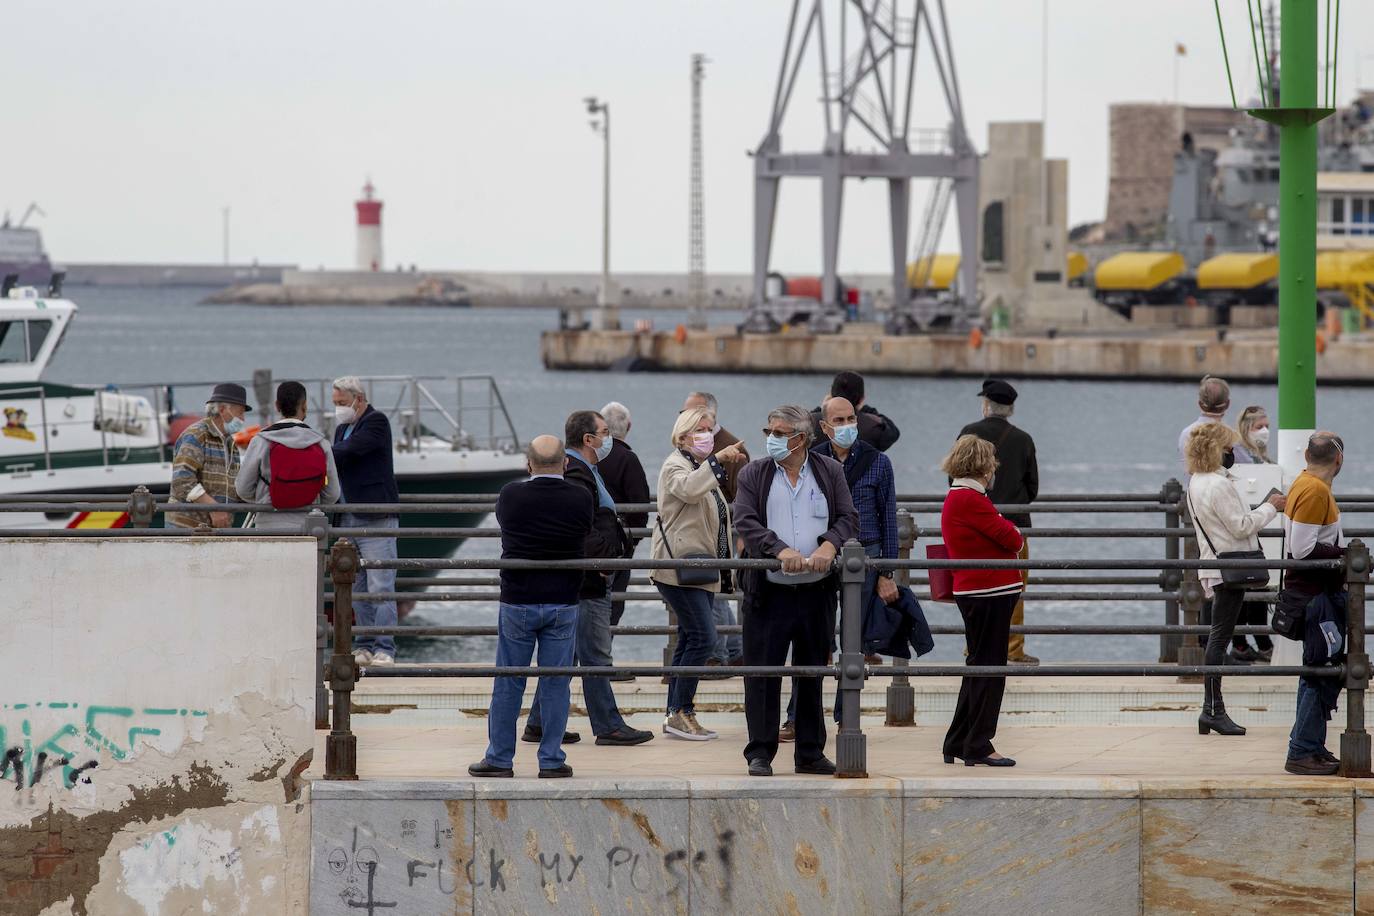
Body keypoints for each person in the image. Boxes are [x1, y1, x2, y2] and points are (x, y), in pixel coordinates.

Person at [733, 405, 858, 777]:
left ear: (801, 438)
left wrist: (829, 546)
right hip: (768, 592)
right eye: (768, 430)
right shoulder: (754, 473)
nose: (771, 438)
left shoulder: (829, 471)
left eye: (779, 432)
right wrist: (778, 549)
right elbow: (745, 519)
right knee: (762, 673)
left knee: (812, 672)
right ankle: (760, 752)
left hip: (816, 591)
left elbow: (848, 517)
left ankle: (809, 752)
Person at [524, 410, 654, 747]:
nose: (608, 438)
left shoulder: (581, 468)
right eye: (604, 432)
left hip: (580, 577)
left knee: (568, 655)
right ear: (588, 439)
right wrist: (605, 561)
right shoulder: (579, 471)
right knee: (596, 653)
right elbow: (580, 521)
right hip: (589, 579)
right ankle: (608, 725)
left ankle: (539, 723)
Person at [469, 436, 594, 779]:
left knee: (509, 681)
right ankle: (551, 759)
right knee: (556, 684)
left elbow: (506, 525)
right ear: (565, 463)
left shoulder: (511, 494)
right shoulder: (581, 496)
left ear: (528, 463)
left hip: (518, 599)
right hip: (564, 600)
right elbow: (586, 528)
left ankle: (499, 758)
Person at [779, 395, 897, 740]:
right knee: (812, 638)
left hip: (866, 555)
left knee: (853, 642)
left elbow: (888, 516)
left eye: (851, 419)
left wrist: (887, 572)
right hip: (821, 554)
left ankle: (848, 717)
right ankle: (797, 717)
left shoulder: (878, 462)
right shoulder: (813, 460)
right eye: (839, 420)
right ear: (824, 426)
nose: (847, 426)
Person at [1184, 422, 1285, 737]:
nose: (1232, 454)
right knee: (1219, 638)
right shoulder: (1218, 485)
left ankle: (1210, 711)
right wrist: (1271, 507)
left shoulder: (1197, 482)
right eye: (1229, 449)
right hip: (1229, 568)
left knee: (1218, 636)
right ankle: (1213, 710)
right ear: (1217, 450)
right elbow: (1241, 527)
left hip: (1214, 566)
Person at [650, 405, 743, 740]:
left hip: (702, 567)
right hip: (677, 568)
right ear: (684, 434)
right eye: (701, 429)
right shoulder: (675, 465)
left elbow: (719, 511)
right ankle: (681, 711)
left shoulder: (699, 465)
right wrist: (718, 462)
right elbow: (688, 489)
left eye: (711, 429)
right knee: (704, 637)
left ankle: (675, 712)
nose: (708, 435)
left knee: (690, 638)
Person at [939, 435, 1024, 767]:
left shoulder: (962, 497)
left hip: (978, 592)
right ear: (983, 466)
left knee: (978, 666)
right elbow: (1012, 539)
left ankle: (958, 740)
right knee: (990, 669)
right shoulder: (972, 500)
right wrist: (1010, 529)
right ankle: (979, 743)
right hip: (987, 593)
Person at [959, 379, 1040, 665]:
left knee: (974, 586)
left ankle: (974, 648)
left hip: (974, 523)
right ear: (1011, 409)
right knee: (1015, 587)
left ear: (985, 405)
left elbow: (954, 477)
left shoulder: (970, 433)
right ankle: (1013, 649)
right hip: (1015, 523)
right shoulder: (1024, 439)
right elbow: (1032, 489)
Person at [1282, 432, 1348, 776]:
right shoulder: (1314, 490)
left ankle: (1311, 744)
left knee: (1321, 671)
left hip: (1316, 595)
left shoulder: (1306, 484)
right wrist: (1345, 555)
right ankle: (1302, 750)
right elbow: (1302, 549)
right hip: (1315, 597)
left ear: (1307, 454)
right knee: (1318, 672)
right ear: (1338, 460)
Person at [331, 376, 401, 667]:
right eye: (335, 403)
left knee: (380, 586)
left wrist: (315, 453)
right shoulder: (340, 429)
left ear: (358, 399)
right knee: (357, 587)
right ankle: (364, 644)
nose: (338, 409)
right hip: (347, 515)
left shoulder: (376, 422)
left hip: (375, 517)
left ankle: (386, 647)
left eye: (342, 403)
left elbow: (352, 450)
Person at [682, 391, 749, 670]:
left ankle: (718, 653)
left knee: (715, 589)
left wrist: (742, 532)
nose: (683, 419)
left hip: (723, 528)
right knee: (716, 589)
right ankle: (734, 648)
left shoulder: (732, 448)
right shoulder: (698, 442)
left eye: (687, 413)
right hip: (708, 527)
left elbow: (741, 494)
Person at [234, 381, 341, 528]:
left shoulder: (261, 441)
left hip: (268, 525)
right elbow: (332, 494)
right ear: (304, 406)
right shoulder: (321, 443)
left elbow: (243, 489)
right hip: (309, 526)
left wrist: (265, 499)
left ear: (277, 406)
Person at [596, 401, 652, 681]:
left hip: (587, 547)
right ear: (628, 427)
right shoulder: (628, 459)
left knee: (588, 604)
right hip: (618, 547)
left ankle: (588, 661)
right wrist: (631, 543)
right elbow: (640, 506)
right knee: (613, 603)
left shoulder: (587, 456)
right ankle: (602, 663)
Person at [1228, 405, 1276, 662]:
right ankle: (1244, 643)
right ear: (1247, 429)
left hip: (1261, 527)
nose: (1265, 431)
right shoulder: (1240, 454)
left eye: (1267, 425)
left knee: (1258, 587)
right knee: (1247, 588)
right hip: (1248, 525)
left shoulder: (1261, 457)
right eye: (1259, 427)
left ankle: (1257, 640)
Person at [169, 382, 251, 529]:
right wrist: (214, 508)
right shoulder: (196, 435)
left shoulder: (230, 443)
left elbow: (234, 486)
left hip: (212, 530)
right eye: (240, 413)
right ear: (222, 409)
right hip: (185, 529)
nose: (243, 419)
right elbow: (182, 480)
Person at [808, 370, 901, 452]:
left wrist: (824, 409)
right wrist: (866, 410)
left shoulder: (813, 424)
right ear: (861, 399)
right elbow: (894, 432)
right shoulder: (874, 427)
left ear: (831, 395)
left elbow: (801, 422)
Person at [1177, 375, 1230, 478]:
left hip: (1194, 491)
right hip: (1223, 490)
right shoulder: (1231, 437)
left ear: (1200, 404)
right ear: (1227, 404)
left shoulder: (1186, 433)